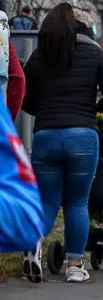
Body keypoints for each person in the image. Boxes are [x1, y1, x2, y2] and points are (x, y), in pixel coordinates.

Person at [21, 3, 103, 282]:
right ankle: (75, 267)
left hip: (46, 137)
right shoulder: (94, 52)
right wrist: (96, 108)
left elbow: (26, 98)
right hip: (83, 137)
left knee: (47, 201)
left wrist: (44, 111)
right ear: (85, 28)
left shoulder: (39, 55)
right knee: (77, 203)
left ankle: (33, 244)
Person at [0, 102, 45, 259]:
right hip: (83, 130)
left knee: (51, 201)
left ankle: (36, 247)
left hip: (46, 129)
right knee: (76, 203)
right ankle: (75, 263)